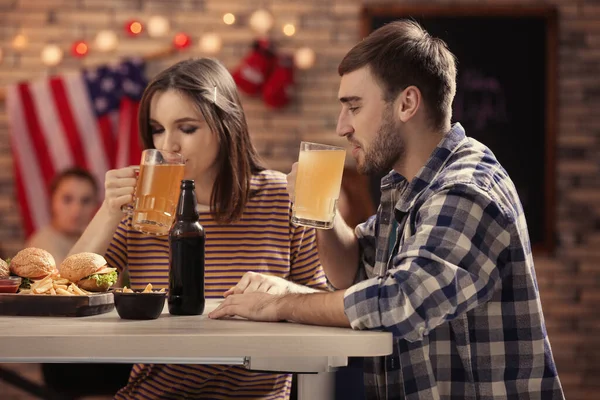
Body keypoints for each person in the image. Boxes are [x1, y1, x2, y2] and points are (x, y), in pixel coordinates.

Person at [209, 20, 566, 400]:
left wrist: (281, 304)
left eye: (354, 106)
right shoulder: (407, 184)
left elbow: (399, 302)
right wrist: (323, 215)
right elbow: (356, 273)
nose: (341, 126)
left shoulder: (465, 189)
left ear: (407, 103)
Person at [69, 57, 329, 399]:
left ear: (226, 125)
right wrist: (107, 212)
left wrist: (285, 291)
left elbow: (326, 305)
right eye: (158, 129)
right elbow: (66, 292)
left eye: (186, 128)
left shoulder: (282, 198)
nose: (167, 146)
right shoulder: (145, 204)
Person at [26, 167, 99, 265]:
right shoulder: (40, 247)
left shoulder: (97, 239)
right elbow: (67, 278)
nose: (76, 209)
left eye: (86, 201)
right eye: (67, 199)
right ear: (52, 201)